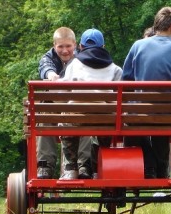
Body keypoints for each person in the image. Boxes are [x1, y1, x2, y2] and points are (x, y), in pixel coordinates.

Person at [122, 6, 171, 179]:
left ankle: (150, 169)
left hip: (140, 117)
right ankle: (163, 168)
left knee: (140, 117)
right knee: (165, 117)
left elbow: (126, 80)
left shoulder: (138, 46)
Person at [58, 28, 122, 180]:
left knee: (64, 119)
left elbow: (62, 93)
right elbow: (120, 98)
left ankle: (71, 168)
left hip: (76, 119)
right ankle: (100, 166)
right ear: (103, 47)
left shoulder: (73, 65)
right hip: (106, 121)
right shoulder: (115, 69)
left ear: (80, 47)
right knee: (110, 120)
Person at [36, 27, 92, 179]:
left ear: (75, 44)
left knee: (89, 116)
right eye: (60, 46)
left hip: (77, 109)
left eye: (68, 46)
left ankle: (83, 166)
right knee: (45, 115)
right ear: (54, 45)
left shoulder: (83, 58)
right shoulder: (48, 57)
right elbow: (45, 67)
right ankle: (45, 166)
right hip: (57, 108)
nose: (65, 50)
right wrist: (51, 74)